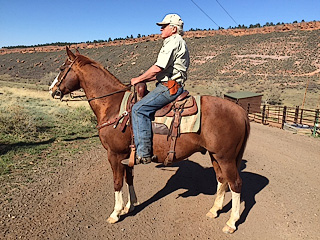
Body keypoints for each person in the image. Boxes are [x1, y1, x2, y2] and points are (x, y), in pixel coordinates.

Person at [126, 13, 190, 165]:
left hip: (169, 88)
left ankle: (143, 153)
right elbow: (160, 73)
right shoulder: (176, 41)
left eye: (164, 26)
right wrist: (142, 79)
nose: (161, 29)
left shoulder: (173, 41)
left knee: (138, 109)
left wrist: (138, 79)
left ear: (173, 29)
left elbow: (158, 68)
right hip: (169, 84)